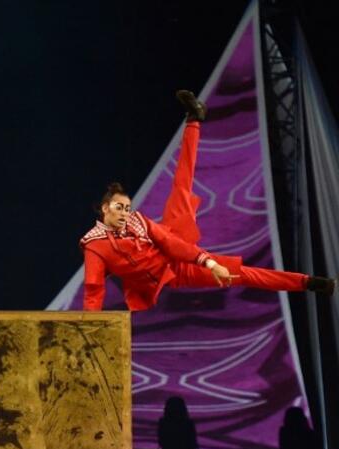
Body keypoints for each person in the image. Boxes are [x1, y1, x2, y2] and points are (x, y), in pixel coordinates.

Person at [80, 90, 335, 311]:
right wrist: (90, 329)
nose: (125, 212)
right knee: (242, 274)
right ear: (105, 209)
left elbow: (170, 243)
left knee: (182, 186)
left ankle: (194, 119)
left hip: (178, 253)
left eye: (127, 207)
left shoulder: (138, 221)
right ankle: (308, 282)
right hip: (172, 276)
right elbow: (93, 289)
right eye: (119, 207)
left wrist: (209, 262)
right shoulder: (95, 245)